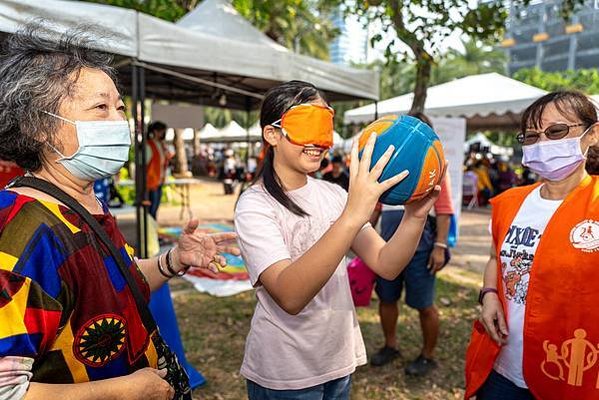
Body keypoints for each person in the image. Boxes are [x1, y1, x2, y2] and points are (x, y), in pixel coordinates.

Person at [0, 24, 238, 400]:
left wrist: (175, 260)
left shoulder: (82, 204)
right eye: (100, 108)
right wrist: (124, 390)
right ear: (39, 127)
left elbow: (119, 283)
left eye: (120, 107)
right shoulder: (23, 229)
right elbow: (7, 390)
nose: (118, 122)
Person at [234, 81, 441, 400]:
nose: (319, 141)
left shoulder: (333, 195)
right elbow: (290, 296)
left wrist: (414, 216)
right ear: (272, 134)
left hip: (338, 362)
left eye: (324, 126)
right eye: (307, 125)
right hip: (286, 373)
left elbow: (386, 264)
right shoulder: (255, 205)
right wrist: (352, 215)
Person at [464, 91, 599, 400]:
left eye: (556, 132)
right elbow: (494, 258)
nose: (543, 144)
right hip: (502, 369)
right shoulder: (509, 203)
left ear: (592, 134)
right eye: (531, 136)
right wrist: (488, 295)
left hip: (572, 374)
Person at [369, 113, 454, 376]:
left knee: (424, 304)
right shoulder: (389, 164)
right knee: (386, 298)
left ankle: (427, 356)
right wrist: (364, 231)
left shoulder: (434, 166)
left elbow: (444, 209)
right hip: (385, 246)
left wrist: (439, 246)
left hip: (421, 249)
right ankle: (390, 345)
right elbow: (376, 207)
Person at [146, 121, 169, 219]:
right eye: (161, 131)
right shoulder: (149, 144)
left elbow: (166, 159)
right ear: (155, 131)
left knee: (155, 208)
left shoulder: (160, 144)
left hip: (159, 180)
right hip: (152, 181)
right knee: (152, 209)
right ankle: (150, 231)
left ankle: (152, 229)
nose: (162, 134)